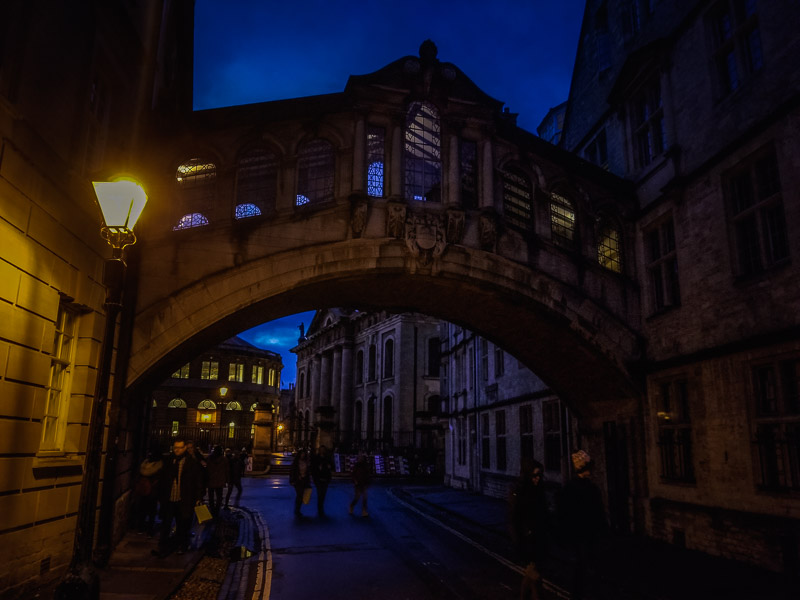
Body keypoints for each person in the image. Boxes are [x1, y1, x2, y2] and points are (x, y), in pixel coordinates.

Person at [558, 450, 607, 600]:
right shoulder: (590, 489)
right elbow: (598, 513)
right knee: (588, 569)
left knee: (579, 570)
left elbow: (563, 514)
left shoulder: (569, 488)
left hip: (577, 536)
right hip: (587, 535)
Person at [155, 437, 203, 557]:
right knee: (166, 524)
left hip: (184, 499)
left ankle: (181, 545)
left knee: (182, 525)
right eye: (175, 447)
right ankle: (163, 547)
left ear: (185, 448)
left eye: (180, 448)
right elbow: (162, 480)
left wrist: (198, 497)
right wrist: (160, 496)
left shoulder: (191, 463)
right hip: (169, 499)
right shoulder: (169, 461)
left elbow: (198, 481)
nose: (177, 450)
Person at [510, 459, 549, 600]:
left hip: (538, 541)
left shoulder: (539, 491)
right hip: (527, 543)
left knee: (531, 577)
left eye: (539, 475)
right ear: (527, 475)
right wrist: (518, 544)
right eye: (534, 475)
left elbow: (544, 515)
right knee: (536, 579)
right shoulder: (519, 492)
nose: (537, 478)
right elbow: (513, 520)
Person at [134, 447, 163, 535]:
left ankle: (141, 527)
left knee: (143, 510)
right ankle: (149, 529)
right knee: (151, 511)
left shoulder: (145, 463)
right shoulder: (159, 465)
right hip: (152, 491)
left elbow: (141, 473)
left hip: (145, 490)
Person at [311, 445, 334, 517]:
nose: (322, 451)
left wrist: (330, 467)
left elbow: (332, 466)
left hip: (325, 478)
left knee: (323, 494)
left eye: (323, 450)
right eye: (321, 449)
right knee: (320, 494)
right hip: (318, 478)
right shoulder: (316, 458)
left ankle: (321, 507)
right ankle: (320, 509)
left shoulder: (327, 458)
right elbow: (313, 468)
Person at [206, 445, 228, 517]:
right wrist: (227, 480)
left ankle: (212, 510)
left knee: (211, 498)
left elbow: (207, 469)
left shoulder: (209, 458)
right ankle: (217, 511)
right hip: (220, 481)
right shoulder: (224, 460)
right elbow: (226, 471)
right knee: (219, 497)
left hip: (211, 480)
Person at [289, 449, 311, 517]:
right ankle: (297, 509)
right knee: (299, 494)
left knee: (301, 495)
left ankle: (298, 509)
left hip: (304, 480)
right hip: (297, 481)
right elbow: (292, 472)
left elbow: (308, 472)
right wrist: (292, 480)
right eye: (302, 454)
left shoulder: (306, 462)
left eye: (304, 454)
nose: (303, 455)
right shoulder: (296, 463)